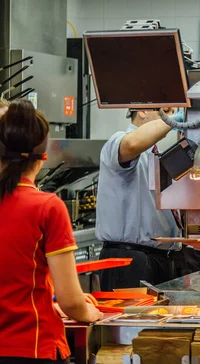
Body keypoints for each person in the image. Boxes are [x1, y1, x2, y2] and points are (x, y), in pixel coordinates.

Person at [0, 100, 102, 364]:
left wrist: (49, 300)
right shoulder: (46, 207)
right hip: (31, 348)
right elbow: (72, 302)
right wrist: (88, 311)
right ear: (43, 158)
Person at [96, 108, 184, 291]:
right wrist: (174, 121)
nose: (170, 115)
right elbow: (131, 145)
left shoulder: (154, 155)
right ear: (142, 110)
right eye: (166, 111)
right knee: (128, 318)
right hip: (129, 261)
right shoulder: (119, 141)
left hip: (161, 259)